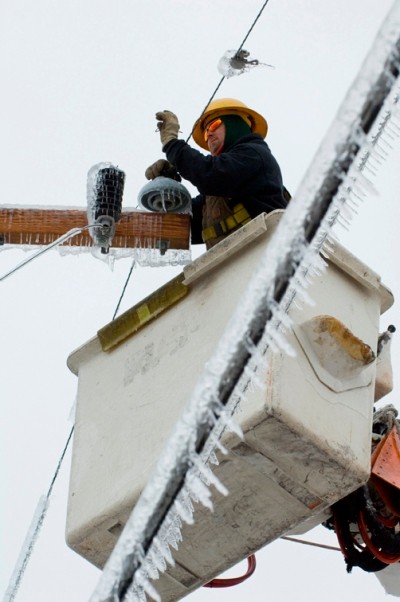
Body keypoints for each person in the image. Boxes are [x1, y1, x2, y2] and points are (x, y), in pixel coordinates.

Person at [145, 98, 288, 249]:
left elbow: (210, 174)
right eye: (206, 134)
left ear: (235, 124)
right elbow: (186, 223)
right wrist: (169, 190)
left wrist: (171, 144)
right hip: (236, 261)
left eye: (214, 125)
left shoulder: (253, 154)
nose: (209, 135)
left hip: (265, 252)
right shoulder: (220, 190)